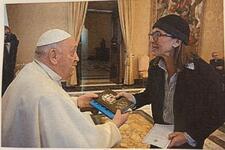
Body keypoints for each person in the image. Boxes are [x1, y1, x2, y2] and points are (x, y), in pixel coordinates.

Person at [2, 29, 129, 148]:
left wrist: (77, 102)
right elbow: (81, 143)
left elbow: (45, 109)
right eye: (73, 52)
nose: (77, 58)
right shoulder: (48, 94)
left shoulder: (30, 71)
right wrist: (113, 126)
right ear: (53, 56)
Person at [117, 14, 225, 149]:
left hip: (186, 140)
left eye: (158, 34)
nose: (152, 40)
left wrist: (189, 136)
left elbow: (219, 111)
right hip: (160, 136)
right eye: (152, 34)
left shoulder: (202, 72)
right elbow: (151, 94)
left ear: (177, 42)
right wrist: (132, 98)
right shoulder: (155, 66)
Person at [2, 26, 19, 96]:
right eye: (4, 34)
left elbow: (16, 41)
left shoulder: (13, 42)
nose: (6, 36)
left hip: (10, 69)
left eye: (8, 34)